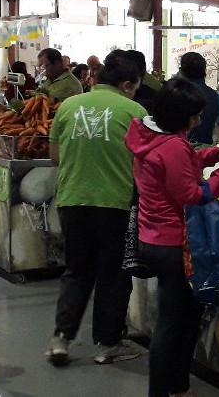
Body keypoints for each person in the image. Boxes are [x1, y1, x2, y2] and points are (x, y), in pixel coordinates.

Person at [125, 79, 219, 397]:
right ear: (181, 115)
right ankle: (163, 390)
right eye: (194, 115)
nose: (199, 120)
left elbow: (180, 166)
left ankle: (176, 388)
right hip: (174, 244)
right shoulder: (173, 146)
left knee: (182, 319)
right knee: (173, 324)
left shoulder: (148, 135)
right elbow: (192, 196)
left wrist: (213, 154)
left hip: (153, 238)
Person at [45, 51, 146, 366]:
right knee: (113, 274)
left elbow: (55, 156)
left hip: (72, 199)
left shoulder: (69, 106)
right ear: (127, 84)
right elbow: (143, 162)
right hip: (114, 202)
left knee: (76, 271)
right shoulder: (134, 111)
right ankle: (108, 343)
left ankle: (60, 340)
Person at [173, 52, 219, 145]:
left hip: (180, 147)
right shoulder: (214, 95)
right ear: (204, 70)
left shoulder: (178, 93)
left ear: (181, 70)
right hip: (206, 148)